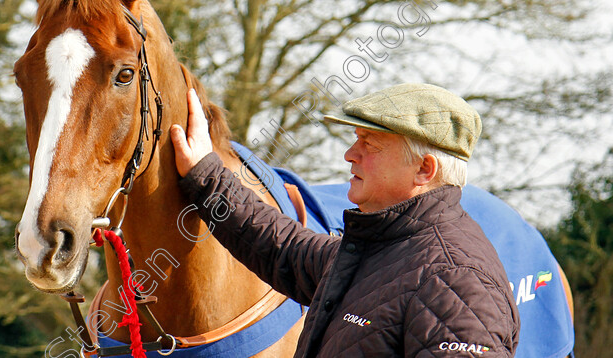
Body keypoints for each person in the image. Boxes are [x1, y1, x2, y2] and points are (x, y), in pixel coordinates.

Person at [170, 83, 521, 357]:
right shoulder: (381, 250)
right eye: (356, 140)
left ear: (424, 169)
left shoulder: (454, 280)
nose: (350, 155)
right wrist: (205, 172)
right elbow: (282, 248)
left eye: (370, 144)